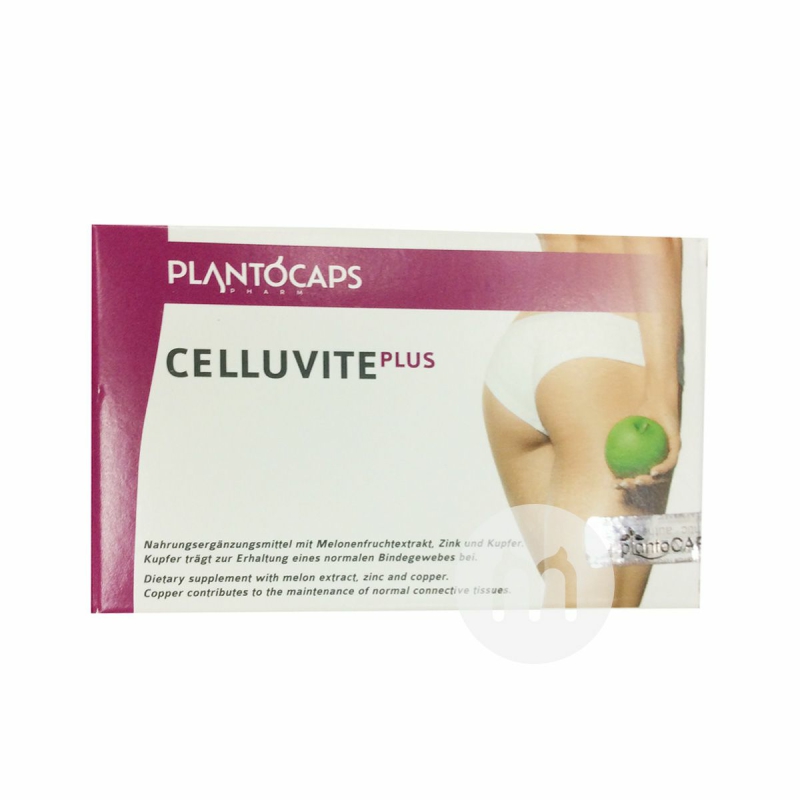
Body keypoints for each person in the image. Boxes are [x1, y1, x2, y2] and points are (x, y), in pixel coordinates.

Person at [483, 235, 683, 608]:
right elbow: (655, 235)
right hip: (606, 350)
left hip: (527, 337)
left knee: (572, 611)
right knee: (598, 614)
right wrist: (662, 393)